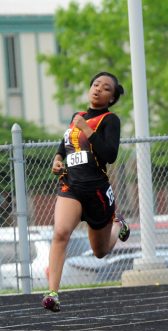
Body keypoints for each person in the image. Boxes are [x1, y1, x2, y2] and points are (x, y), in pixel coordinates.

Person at [42, 72, 130, 312]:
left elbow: (109, 155)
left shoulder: (110, 120)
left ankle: (117, 225)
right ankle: (53, 293)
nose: (98, 89)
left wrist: (88, 131)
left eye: (105, 88)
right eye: (95, 84)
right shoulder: (77, 116)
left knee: (100, 252)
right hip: (72, 187)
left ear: (111, 98)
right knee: (60, 233)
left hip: (97, 191)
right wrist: (58, 159)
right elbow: (65, 146)